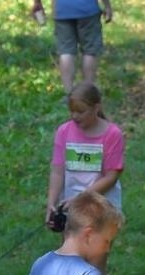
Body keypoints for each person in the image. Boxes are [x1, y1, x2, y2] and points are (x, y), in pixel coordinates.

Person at [46, 83, 125, 226]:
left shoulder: (112, 134)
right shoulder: (64, 131)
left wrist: (82, 198)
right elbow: (57, 172)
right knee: (71, 246)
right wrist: (51, 203)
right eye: (72, 111)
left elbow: (111, 177)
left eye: (81, 111)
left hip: (103, 205)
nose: (75, 116)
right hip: (71, 204)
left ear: (96, 108)